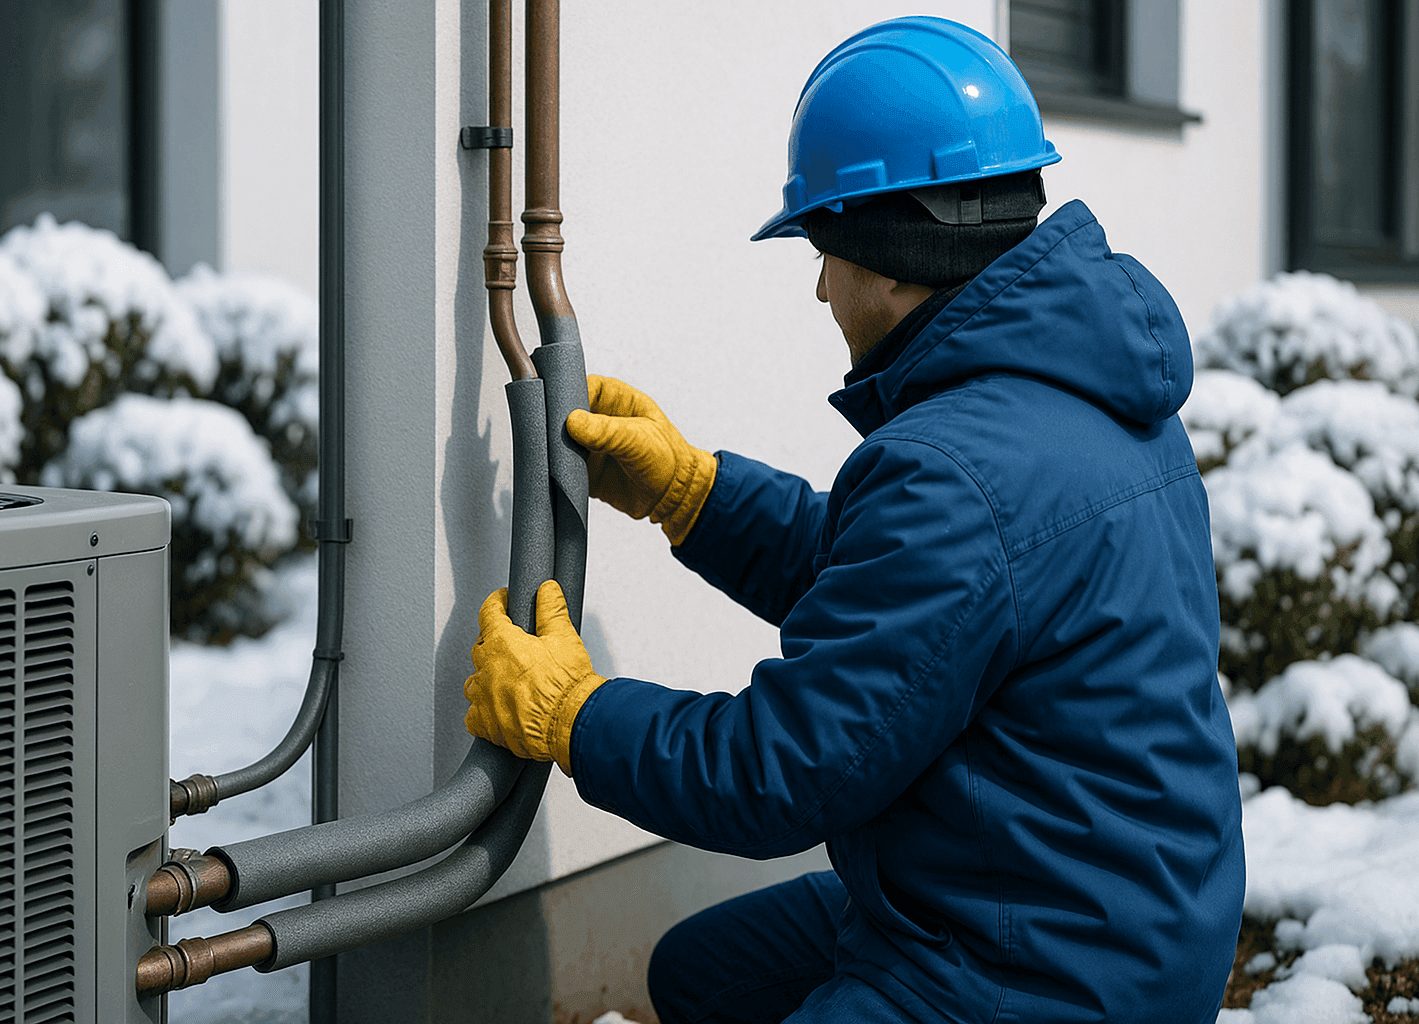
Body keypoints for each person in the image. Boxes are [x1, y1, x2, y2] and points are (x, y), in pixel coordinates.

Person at [462, 16, 1245, 1024]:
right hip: (1105, 904)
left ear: (888, 256)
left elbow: (780, 770)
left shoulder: (954, 471)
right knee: (701, 971)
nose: (822, 284)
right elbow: (916, 602)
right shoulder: (1089, 391)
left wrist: (574, 714)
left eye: (826, 248)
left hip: (1038, 970)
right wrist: (691, 493)